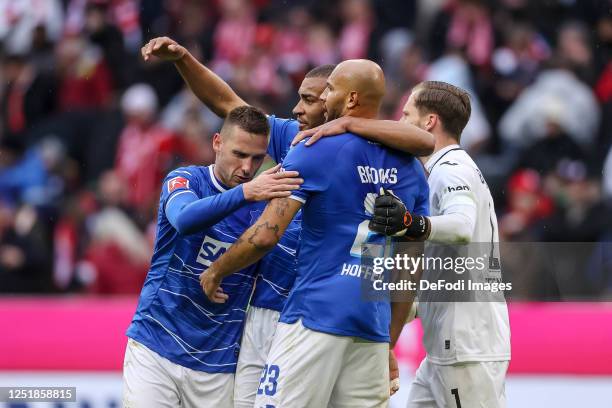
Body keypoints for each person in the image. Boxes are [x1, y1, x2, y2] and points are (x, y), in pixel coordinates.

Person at [142, 35, 434, 406]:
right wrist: (388, 340)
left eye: (318, 96)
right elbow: (410, 264)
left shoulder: (309, 149)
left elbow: (265, 235)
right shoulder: (409, 167)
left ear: (349, 99)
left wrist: (217, 269)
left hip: (307, 312)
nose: (301, 108)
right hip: (366, 317)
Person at [122, 105, 303, 407]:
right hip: (155, 347)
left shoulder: (268, 210)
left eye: (257, 158)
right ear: (217, 143)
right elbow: (184, 219)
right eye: (239, 154)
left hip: (217, 366)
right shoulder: (185, 180)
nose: (247, 168)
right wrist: (246, 193)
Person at [369, 81, 511, 408]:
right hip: (444, 350)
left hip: (465, 347)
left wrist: (410, 223)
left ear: (429, 122)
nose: (401, 122)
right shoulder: (446, 169)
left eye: (407, 115)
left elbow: (460, 226)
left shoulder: (450, 170)